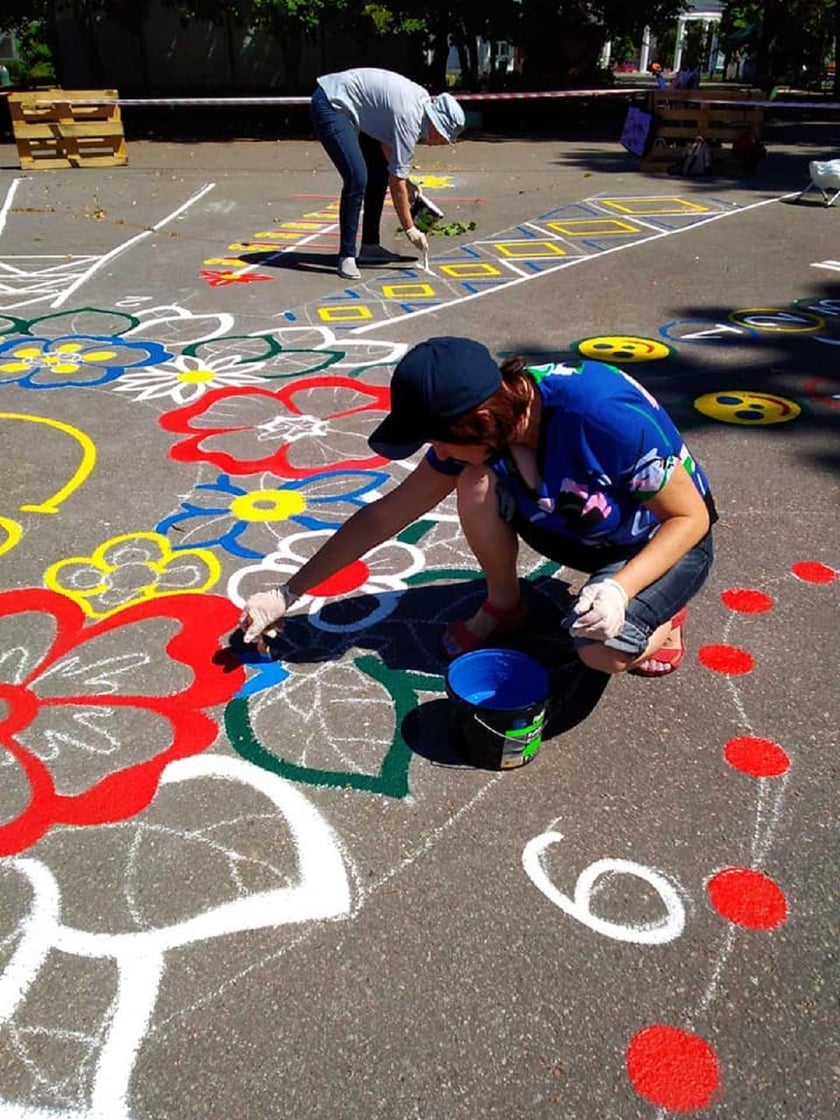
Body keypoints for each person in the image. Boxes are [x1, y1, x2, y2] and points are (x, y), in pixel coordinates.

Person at [239, 337, 716, 678]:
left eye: (441, 442)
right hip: (579, 527)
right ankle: (505, 607)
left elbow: (690, 517)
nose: (439, 454)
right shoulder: (490, 421)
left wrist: (620, 588)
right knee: (475, 482)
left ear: (482, 420)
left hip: (659, 541)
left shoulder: (599, 412)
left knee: (599, 653)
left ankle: (663, 621)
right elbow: (386, 514)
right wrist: (288, 593)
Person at [310, 67, 466, 280]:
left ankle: (370, 247)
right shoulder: (410, 119)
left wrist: (408, 183)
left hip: (354, 107)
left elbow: (387, 144)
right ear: (436, 125)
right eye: (443, 138)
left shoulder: (419, 104)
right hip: (333, 104)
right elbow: (397, 181)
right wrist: (410, 229)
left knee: (379, 171)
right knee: (357, 177)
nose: (441, 143)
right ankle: (346, 255)